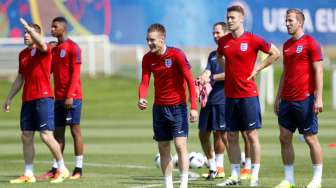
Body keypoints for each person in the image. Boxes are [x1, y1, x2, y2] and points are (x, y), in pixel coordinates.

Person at [216, 5, 280, 187]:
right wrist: (225, 68)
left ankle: (254, 175)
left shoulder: (252, 39)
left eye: (232, 18)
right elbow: (220, 57)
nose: (229, 21)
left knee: (252, 136)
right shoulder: (223, 41)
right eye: (227, 17)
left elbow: (275, 53)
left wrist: (258, 68)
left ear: (242, 19)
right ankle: (235, 175)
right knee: (231, 136)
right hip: (230, 96)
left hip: (249, 95)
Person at [2, 18, 69, 184]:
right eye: (24, 32)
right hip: (28, 100)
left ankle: (62, 168)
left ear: (37, 35)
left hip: (43, 98)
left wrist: (31, 29)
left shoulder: (43, 49)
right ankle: (28, 173)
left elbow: (41, 42)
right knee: (26, 136)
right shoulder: (23, 54)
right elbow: (20, 78)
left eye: (28, 33)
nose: (25, 35)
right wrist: (9, 98)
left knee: (46, 136)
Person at [138, 23, 198, 188]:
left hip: (178, 107)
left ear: (162, 39)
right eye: (147, 40)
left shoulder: (176, 55)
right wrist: (141, 97)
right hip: (159, 109)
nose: (149, 43)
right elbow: (144, 81)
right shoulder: (147, 58)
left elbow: (190, 81)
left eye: (152, 40)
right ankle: (168, 185)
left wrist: (193, 107)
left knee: (180, 145)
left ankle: (184, 184)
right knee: (164, 147)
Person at [274, 8, 323, 188]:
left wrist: (318, 98)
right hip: (286, 100)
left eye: (290, 21)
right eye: (286, 21)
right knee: (284, 137)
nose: (287, 24)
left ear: (300, 22)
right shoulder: (286, 45)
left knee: (310, 138)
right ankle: (289, 179)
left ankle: (317, 179)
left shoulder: (311, 42)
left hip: (305, 99)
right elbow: (285, 73)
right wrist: (278, 97)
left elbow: (318, 70)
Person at [42, 16, 84, 180]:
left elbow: (76, 74)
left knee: (75, 131)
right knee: (57, 134)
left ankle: (78, 169)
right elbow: (49, 71)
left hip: (72, 98)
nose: (52, 29)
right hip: (57, 98)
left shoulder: (74, 48)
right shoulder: (54, 49)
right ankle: (56, 168)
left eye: (55, 27)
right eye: (51, 27)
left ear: (64, 29)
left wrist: (70, 96)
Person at [198, 22, 228, 181]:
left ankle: (220, 167)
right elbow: (208, 69)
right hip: (208, 100)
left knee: (220, 134)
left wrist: (212, 77)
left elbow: (232, 73)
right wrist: (203, 76)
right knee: (203, 134)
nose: (215, 36)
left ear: (226, 33)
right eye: (214, 33)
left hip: (223, 99)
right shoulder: (212, 54)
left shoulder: (230, 51)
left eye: (218, 33)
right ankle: (212, 167)